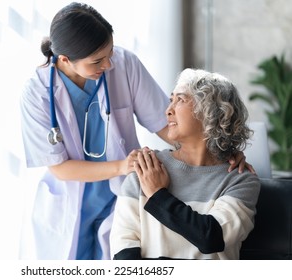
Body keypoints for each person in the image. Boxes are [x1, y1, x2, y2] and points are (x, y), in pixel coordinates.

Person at [19, 3, 250, 260]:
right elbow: (59, 167)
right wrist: (123, 166)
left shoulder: (124, 63)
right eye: (97, 60)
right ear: (65, 60)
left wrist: (219, 150)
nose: (108, 64)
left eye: (109, 52)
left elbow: (167, 123)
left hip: (120, 196)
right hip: (68, 205)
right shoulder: (37, 94)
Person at [110, 68, 261, 260]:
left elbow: (212, 237)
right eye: (171, 100)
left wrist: (158, 195)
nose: (168, 110)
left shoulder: (239, 179)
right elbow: (123, 249)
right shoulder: (147, 168)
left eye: (180, 100)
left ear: (211, 112)